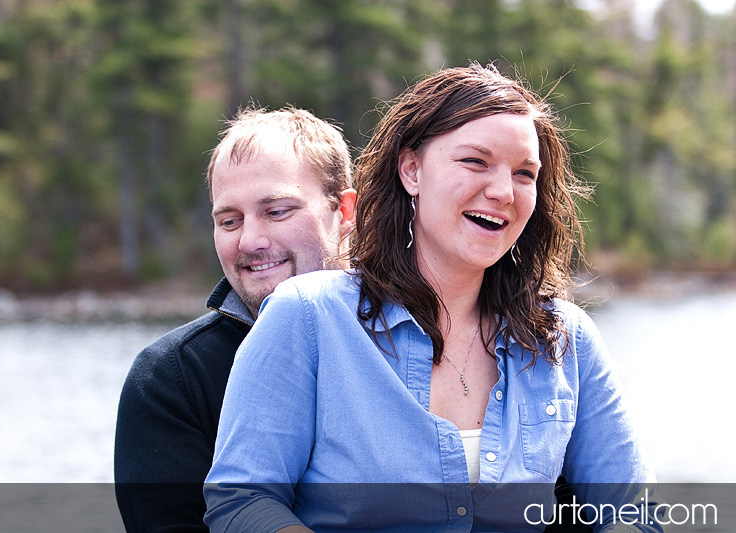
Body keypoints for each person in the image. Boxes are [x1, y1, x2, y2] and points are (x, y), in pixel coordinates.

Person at [204, 64, 662, 532]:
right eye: (475, 162)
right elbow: (242, 501)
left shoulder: (566, 338)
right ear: (411, 171)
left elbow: (635, 513)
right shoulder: (307, 314)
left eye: (525, 173)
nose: (503, 190)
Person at [114, 106, 356, 532]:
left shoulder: (417, 337)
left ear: (345, 211)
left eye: (277, 211)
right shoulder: (171, 380)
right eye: (229, 220)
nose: (250, 240)